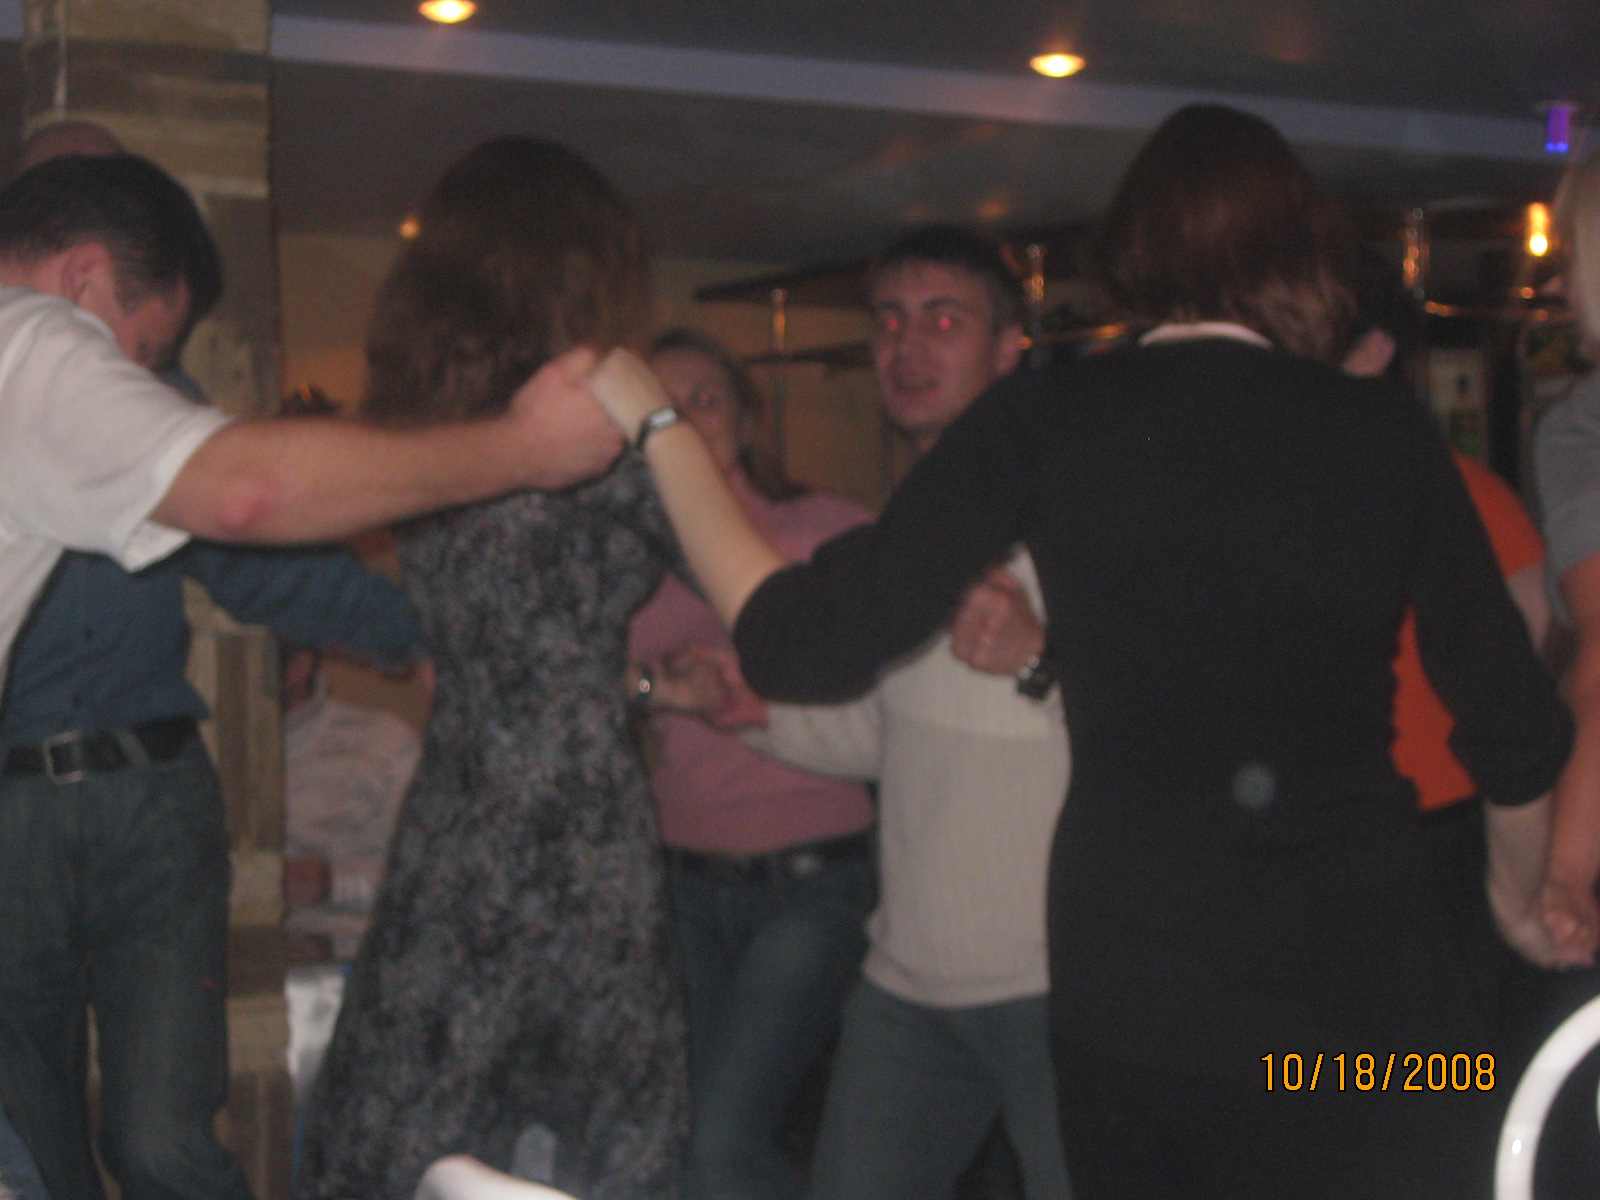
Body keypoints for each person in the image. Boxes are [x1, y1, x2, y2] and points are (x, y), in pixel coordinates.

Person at [592, 105, 1573, 1199]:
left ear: (1132, 251)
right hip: (1365, 1014)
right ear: (1300, 252)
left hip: (1135, 1008)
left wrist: (663, 433)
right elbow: (1516, 730)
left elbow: (796, 642)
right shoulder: (1380, 430)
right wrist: (1512, 902)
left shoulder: (1046, 415)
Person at [297, 137, 687, 1200]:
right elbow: (742, 573)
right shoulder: (588, 422)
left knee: (415, 1109)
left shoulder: (430, 425)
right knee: (593, 1133)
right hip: (574, 809)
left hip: (462, 800)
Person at [688, 227, 1072, 1200]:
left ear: (1010, 348)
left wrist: (1042, 659)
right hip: (906, 982)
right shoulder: (901, 531)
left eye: (944, 321)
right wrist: (757, 712)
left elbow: (1177, 726)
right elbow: (889, 733)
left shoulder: (1079, 514)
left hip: (1056, 983)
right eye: (890, 322)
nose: (907, 346)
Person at [0, 151, 625, 681]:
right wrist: (527, 445)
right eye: (139, 353)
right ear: (81, 280)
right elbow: (245, 492)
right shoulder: (27, 340)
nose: (139, 381)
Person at [624, 328, 875, 1200]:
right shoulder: (623, 555)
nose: (688, 421)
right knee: (687, 1140)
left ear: (747, 414)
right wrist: (656, 687)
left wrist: (754, 693)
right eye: (665, 406)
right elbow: (572, 677)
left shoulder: (828, 530)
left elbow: (889, 691)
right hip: (681, 879)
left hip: (811, 877)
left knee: (719, 1146)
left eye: (706, 399)